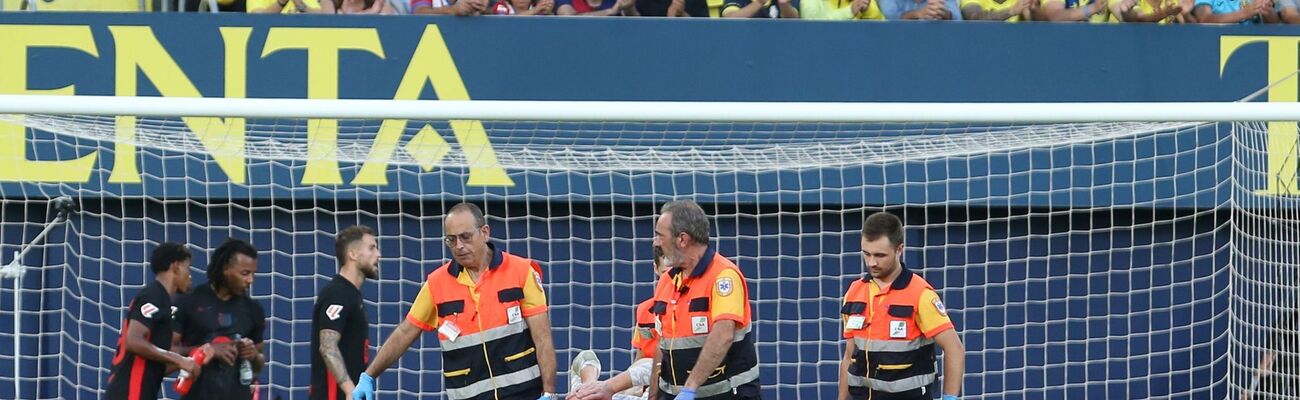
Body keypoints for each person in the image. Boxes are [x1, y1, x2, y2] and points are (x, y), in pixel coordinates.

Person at [353, 203, 558, 400]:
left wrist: (548, 393)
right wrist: (368, 376)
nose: (459, 246)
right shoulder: (437, 283)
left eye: (465, 237)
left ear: (485, 232)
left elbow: (542, 339)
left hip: (524, 395)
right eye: (451, 240)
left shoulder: (521, 272)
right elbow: (406, 332)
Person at [838, 212, 965, 400]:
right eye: (867, 254)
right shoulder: (854, 293)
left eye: (880, 255)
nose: (872, 262)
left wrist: (950, 399)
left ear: (899, 250)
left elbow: (955, 349)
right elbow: (849, 357)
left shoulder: (920, 294)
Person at [646, 200, 760, 400]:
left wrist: (690, 388)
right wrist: (654, 394)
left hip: (725, 395)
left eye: (660, 235)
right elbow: (661, 343)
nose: (656, 242)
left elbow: (723, 335)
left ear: (682, 239)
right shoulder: (667, 280)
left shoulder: (724, 276)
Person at [566, 246, 668, 400]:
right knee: (585, 357)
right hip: (639, 387)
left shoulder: (690, 310)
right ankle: (589, 388)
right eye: (666, 274)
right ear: (656, 269)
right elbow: (640, 359)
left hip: (667, 386)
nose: (671, 280)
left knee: (652, 364)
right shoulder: (645, 310)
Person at [105, 242, 203, 400]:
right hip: (129, 393)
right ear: (176, 267)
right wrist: (179, 359)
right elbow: (133, 341)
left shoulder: (163, 301)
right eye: (188, 268)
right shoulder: (154, 295)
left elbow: (154, 365)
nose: (190, 275)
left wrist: (189, 360)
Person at [172, 238, 268, 400]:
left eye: (253, 274)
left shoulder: (253, 309)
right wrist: (207, 350)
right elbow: (167, 351)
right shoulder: (189, 301)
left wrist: (253, 355)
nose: (250, 280)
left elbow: (259, 364)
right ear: (225, 269)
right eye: (245, 273)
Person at [311, 225, 381, 400]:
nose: (378, 254)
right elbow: (327, 346)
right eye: (372, 248)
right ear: (353, 254)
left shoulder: (352, 295)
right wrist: (349, 389)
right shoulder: (337, 293)